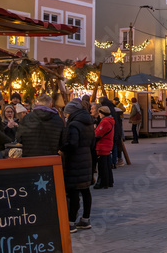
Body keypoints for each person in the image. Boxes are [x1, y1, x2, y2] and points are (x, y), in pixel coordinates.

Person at [63, 98, 94, 233]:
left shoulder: (74, 125)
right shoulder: (88, 122)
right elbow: (92, 143)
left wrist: (63, 148)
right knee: (85, 190)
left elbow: (72, 144)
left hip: (75, 161)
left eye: (66, 113)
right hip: (87, 159)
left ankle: (71, 222)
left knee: (74, 191)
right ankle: (85, 219)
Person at [93, 106, 115, 189]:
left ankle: (103, 182)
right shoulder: (110, 120)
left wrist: (94, 129)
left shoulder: (105, 122)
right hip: (107, 144)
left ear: (102, 113)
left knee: (102, 166)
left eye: (99, 113)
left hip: (102, 145)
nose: (99, 115)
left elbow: (98, 133)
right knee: (107, 164)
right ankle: (109, 181)